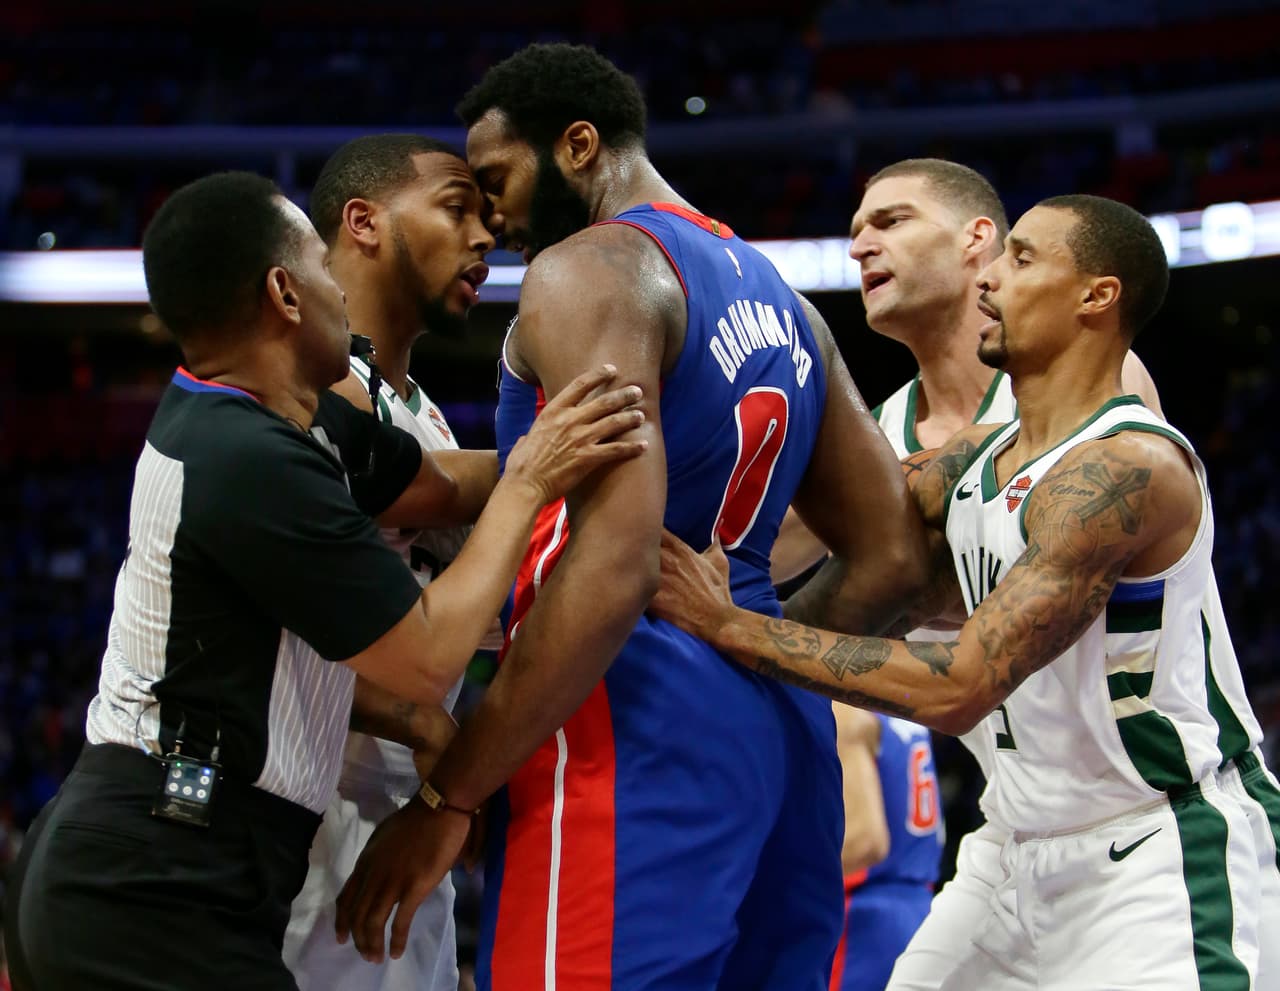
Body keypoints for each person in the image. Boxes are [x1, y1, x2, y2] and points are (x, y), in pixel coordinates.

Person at [334, 43, 932, 990]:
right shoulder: (783, 297)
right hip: (783, 729)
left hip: (632, 710)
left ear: (579, 146)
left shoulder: (593, 267)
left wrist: (451, 793)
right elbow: (896, 553)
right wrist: (750, 645)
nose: (492, 216)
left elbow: (613, 566)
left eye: (496, 180)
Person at [0, 170, 647, 991]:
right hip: (155, 877)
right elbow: (428, 656)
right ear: (285, 292)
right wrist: (531, 484)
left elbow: (438, 485)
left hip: (154, 856)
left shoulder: (273, 413)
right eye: (318, 262)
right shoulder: (248, 459)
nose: (338, 284)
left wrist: (561, 451)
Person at [653, 194, 1275, 989]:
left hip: (1157, 844)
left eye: (1021, 260)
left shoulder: (1125, 467)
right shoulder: (974, 461)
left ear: (1097, 296)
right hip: (1010, 849)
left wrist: (728, 626)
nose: (990, 282)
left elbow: (960, 687)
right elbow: (799, 529)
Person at [773, 158, 1167, 991]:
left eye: (891, 221)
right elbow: (740, 554)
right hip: (1012, 829)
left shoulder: (1095, 389)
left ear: (979, 242)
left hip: (1145, 811)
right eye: (855, 232)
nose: (861, 245)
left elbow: (1056, 599)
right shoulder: (875, 444)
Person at [282, 135, 500, 990]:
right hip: (310, 815)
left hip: (403, 815)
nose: (484, 235)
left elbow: (463, 610)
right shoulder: (307, 382)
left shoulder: (422, 412)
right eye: (456, 207)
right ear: (364, 222)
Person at [826, 710, 942, 991]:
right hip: (919, 906)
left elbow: (864, 842)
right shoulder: (900, 706)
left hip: (861, 920)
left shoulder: (844, 713)